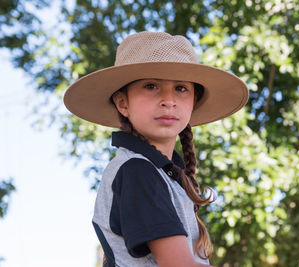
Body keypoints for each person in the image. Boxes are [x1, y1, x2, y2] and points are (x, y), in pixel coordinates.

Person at [63, 31, 248, 267]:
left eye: (181, 88)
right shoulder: (138, 171)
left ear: (193, 102)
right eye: (151, 86)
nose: (168, 100)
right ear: (123, 103)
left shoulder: (163, 173)